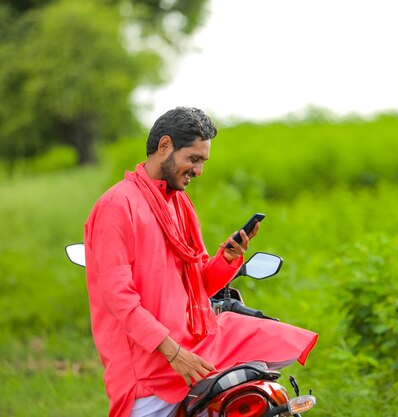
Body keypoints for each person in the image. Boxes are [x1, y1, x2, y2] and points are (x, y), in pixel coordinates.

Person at [84, 107, 318, 417]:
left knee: (276, 340)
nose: (198, 171)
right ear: (165, 146)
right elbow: (118, 298)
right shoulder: (118, 205)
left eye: (202, 162)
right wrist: (175, 354)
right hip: (149, 364)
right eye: (193, 159)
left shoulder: (178, 204)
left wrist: (228, 259)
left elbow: (199, 284)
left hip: (192, 343)